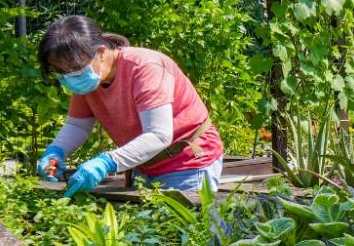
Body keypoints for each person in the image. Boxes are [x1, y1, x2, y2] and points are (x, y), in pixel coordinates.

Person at [34, 15, 226, 197]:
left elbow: (159, 135)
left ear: (101, 52)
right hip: (145, 164)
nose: (69, 77)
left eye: (75, 69)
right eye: (61, 72)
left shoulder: (145, 67)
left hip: (186, 162)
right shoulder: (89, 80)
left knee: (185, 222)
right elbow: (78, 125)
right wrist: (56, 151)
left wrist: (107, 162)